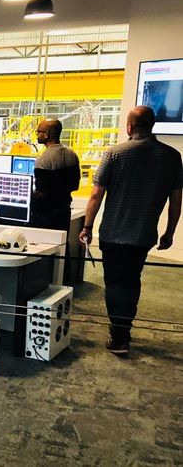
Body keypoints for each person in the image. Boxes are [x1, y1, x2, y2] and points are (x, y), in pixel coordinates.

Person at [79, 106, 182, 355]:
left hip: (114, 233)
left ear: (129, 126)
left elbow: (96, 195)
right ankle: (124, 330)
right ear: (152, 126)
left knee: (114, 283)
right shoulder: (172, 156)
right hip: (143, 235)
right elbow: (176, 197)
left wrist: (87, 226)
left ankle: (120, 336)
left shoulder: (114, 153)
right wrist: (169, 232)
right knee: (132, 280)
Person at [30, 119, 80, 231]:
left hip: (46, 217)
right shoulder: (71, 154)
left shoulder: (43, 160)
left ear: (47, 134)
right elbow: (74, 186)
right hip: (64, 212)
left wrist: (25, 193)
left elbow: (41, 194)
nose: (37, 134)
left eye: (38, 131)